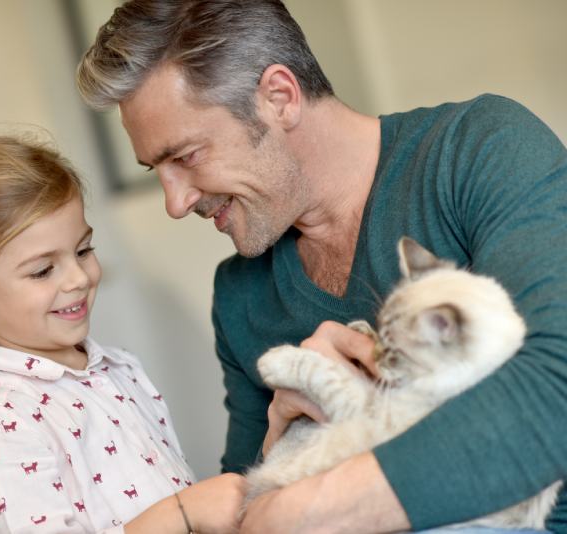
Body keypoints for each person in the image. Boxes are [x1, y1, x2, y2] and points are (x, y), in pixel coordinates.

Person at [76, 0, 567, 532]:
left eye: (186, 156)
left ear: (279, 98)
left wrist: (301, 509)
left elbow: (557, 381)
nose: (173, 202)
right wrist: (277, 439)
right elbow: (241, 504)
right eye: (156, 169)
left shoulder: (478, 150)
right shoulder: (241, 294)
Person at [0, 133, 244, 533]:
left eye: (83, 250)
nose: (78, 278)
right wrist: (182, 513)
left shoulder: (116, 368)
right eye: (43, 270)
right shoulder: (3, 416)